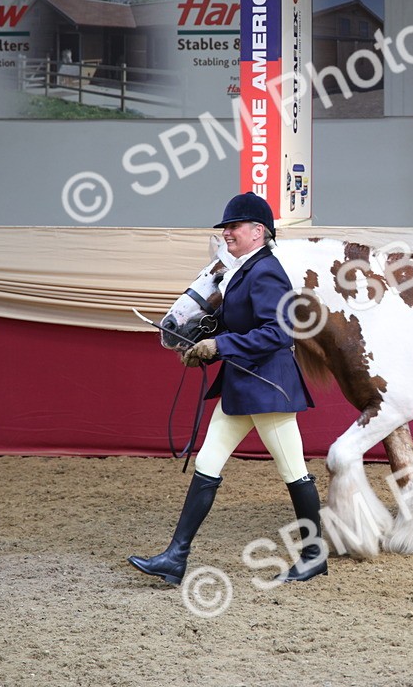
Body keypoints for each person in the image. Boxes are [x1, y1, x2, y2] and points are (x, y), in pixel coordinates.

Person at [128, 192, 325, 585]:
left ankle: (314, 555)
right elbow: (237, 324)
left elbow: (277, 330)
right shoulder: (243, 271)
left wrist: (221, 345)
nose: (227, 233)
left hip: (268, 386)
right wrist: (202, 346)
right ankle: (175, 557)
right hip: (243, 383)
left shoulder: (266, 270)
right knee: (207, 464)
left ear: (258, 232)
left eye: (233, 227)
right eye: (226, 228)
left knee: (294, 471)